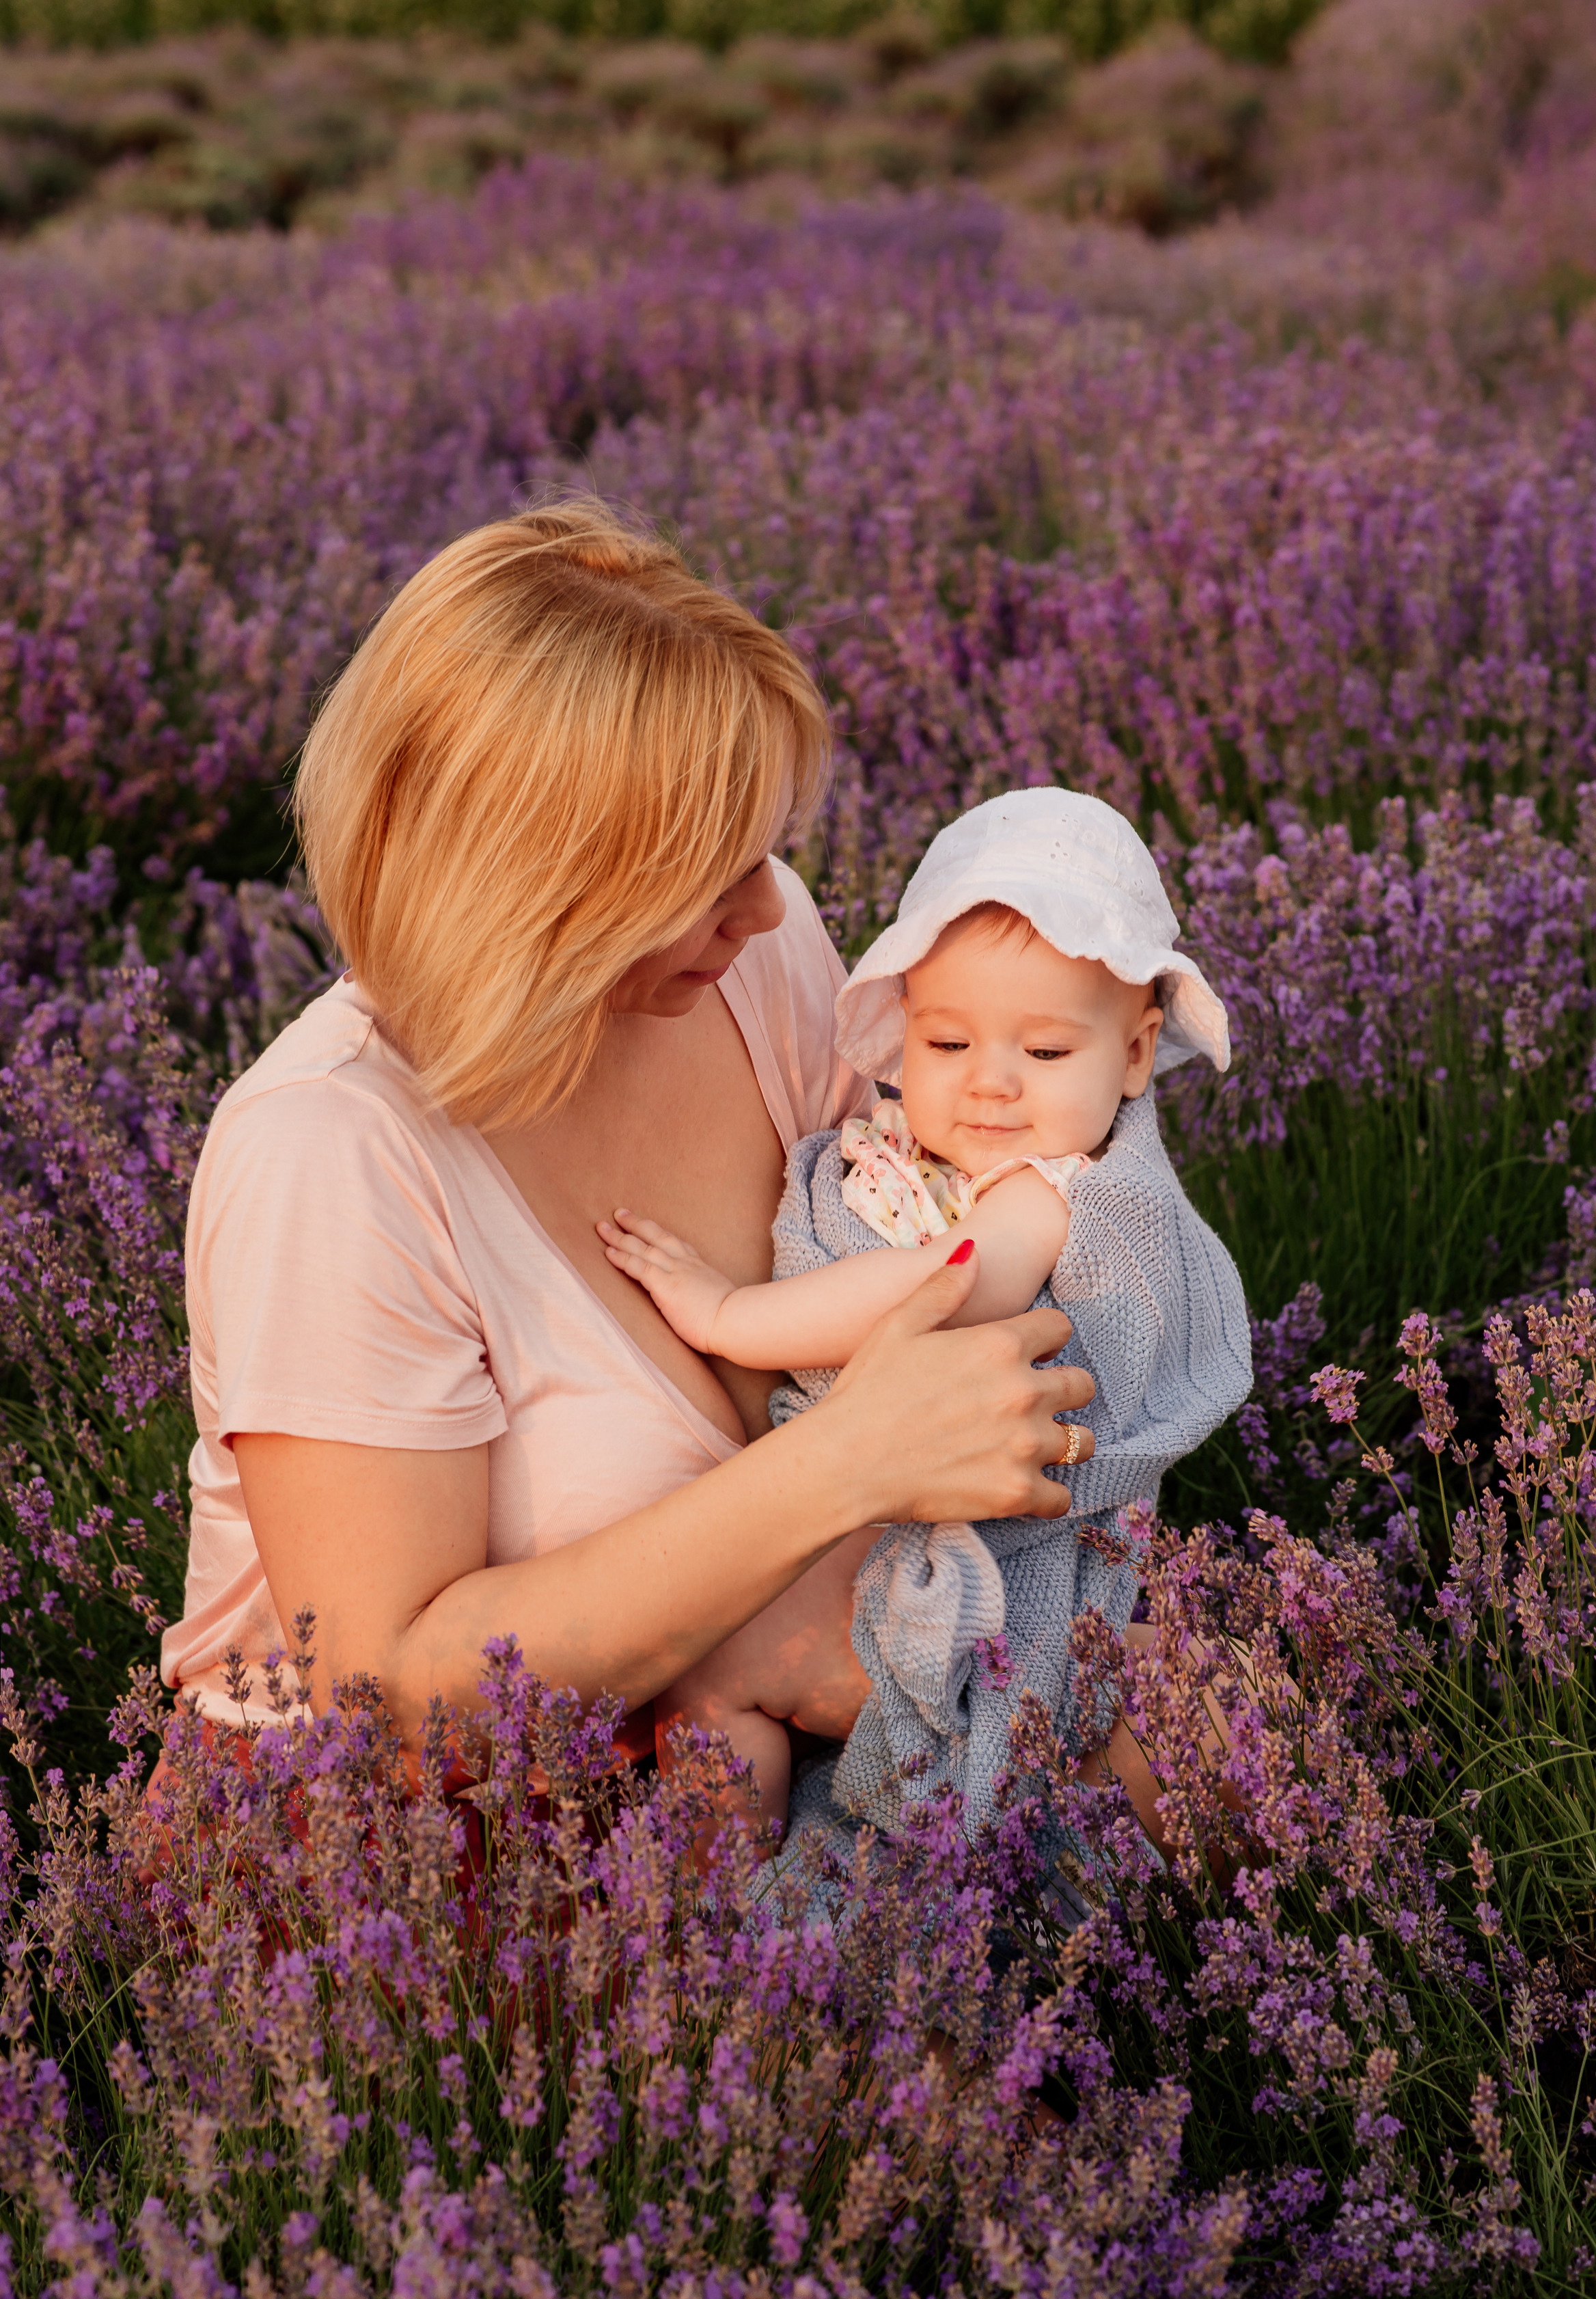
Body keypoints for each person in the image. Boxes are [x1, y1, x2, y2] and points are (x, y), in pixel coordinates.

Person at [156, 503, 1101, 1832]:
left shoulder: (748, 969)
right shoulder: (329, 1153)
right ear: (541, 890)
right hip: (422, 1862)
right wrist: (838, 1470)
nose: (772, 907)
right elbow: (396, 1709)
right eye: (712, 872)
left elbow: (917, 1245)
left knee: (1199, 1728)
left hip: (761, 1728)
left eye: (763, 849)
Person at [598, 789, 1254, 1858]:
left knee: (715, 1685)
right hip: (857, 1534)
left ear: (1135, 1057)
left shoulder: (1052, 1195)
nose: (989, 1085)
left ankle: (744, 1909)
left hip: (977, 1577)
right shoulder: (909, 1153)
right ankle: (737, 1907)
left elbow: (943, 1285)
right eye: (946, 1042)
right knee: (711, 1692)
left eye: (1044, 1056)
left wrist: (726, 1314)